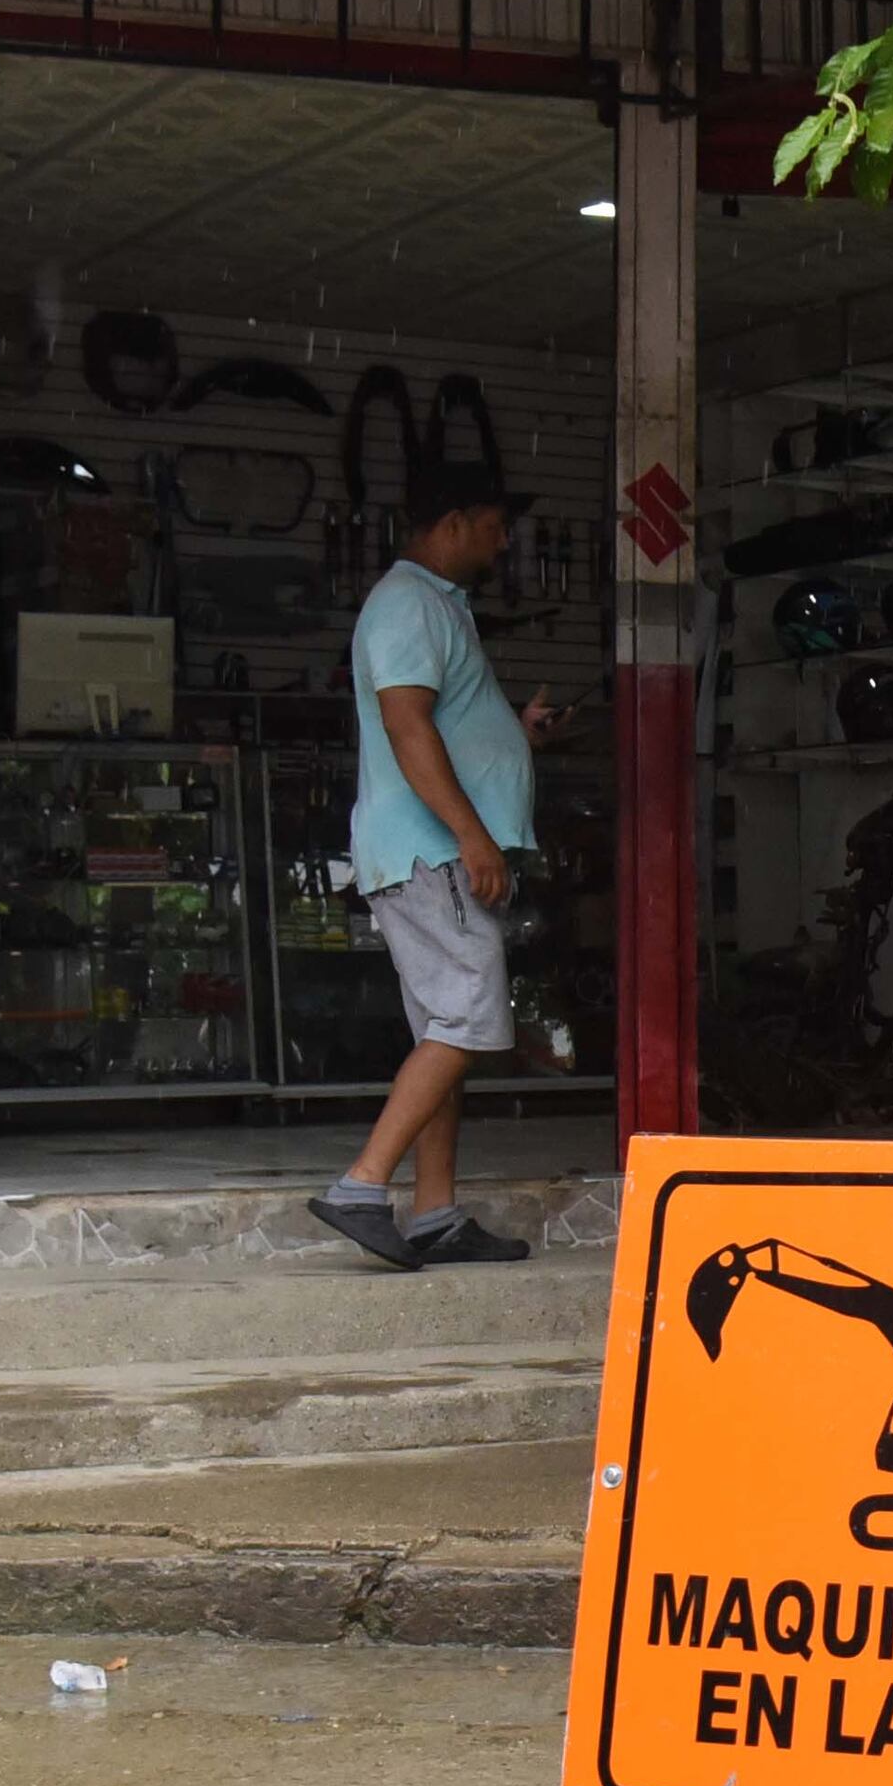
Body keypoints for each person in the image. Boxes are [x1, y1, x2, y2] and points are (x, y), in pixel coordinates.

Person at [305, 463, 568, 1269]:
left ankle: (433, 1215)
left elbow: (446, 722)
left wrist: (514, 731)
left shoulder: (432, 606)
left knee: (443, 1033)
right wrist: (472, 836)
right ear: (451, 522)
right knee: (466, 1019)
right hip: (432, 851)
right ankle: (361, 1184)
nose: (500, 544)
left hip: (436, 848)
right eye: (492, 528)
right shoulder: (409, 602)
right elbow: (407, 728)